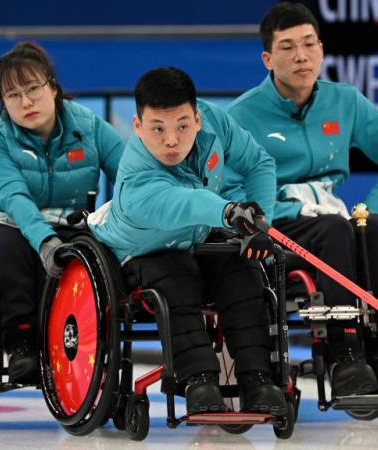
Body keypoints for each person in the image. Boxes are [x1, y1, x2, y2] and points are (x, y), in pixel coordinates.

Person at [226, 2, 378, 398]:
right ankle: (345, 352)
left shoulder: (344, 101)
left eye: (308, 44)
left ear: (321, 49)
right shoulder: (241, 115)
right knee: (335, 230)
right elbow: (227, 188)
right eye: (287, 47)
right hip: (278, 223)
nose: (301, 56)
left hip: (331, 215)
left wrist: (373, 211)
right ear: (267, 58)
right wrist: (279, 211)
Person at [89, 67, 288, 416]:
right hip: (143, 251)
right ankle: (199, 380)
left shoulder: (215, 122)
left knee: (239, 267)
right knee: (175, 274)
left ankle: (258, 378)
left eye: (182, 126)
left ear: (197, 118)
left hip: (198, 237)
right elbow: (187, 202)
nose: (171, 140)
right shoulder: (137, 181)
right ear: (137, 126)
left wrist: (260, 227)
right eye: (157, 128)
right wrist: (229, 211)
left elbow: (259, 163)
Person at [0, 42, 125, 384]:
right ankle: (22, 345)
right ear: (4, 104)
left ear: (52, 87)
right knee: (9, 252)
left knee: (96, 257)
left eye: (33, 89)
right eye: (13, 95)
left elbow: (130, 174)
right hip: (2, 221)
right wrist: (44, 241)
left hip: (69, 221)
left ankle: (92, 349)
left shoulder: (89, 127)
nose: (26, 102)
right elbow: (13, 195)